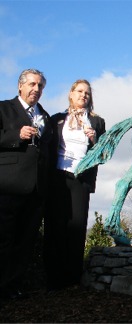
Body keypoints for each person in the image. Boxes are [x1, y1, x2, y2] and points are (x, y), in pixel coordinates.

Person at [44, 79, 105, 291]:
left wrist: (95, 140)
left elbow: (105, 154)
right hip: (58, 177)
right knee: (56, 225)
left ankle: (72, 279)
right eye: (79, 91)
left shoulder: (97, 122)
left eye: (87, 93)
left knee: (77, 227)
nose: (83, 96)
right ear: (71, 94)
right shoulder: (57, 120)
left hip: (81, 178)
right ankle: (52, 278)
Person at [0, 69, 52, 300]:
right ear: (20, 86)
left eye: (40, 86)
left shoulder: (45, 116)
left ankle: (13, 287)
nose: (36, 89)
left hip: (36, 190)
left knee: (25, 242)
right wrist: (15, 135)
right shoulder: (3, 108)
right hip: (7, 186)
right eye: (32, 84)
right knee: (3, 239)